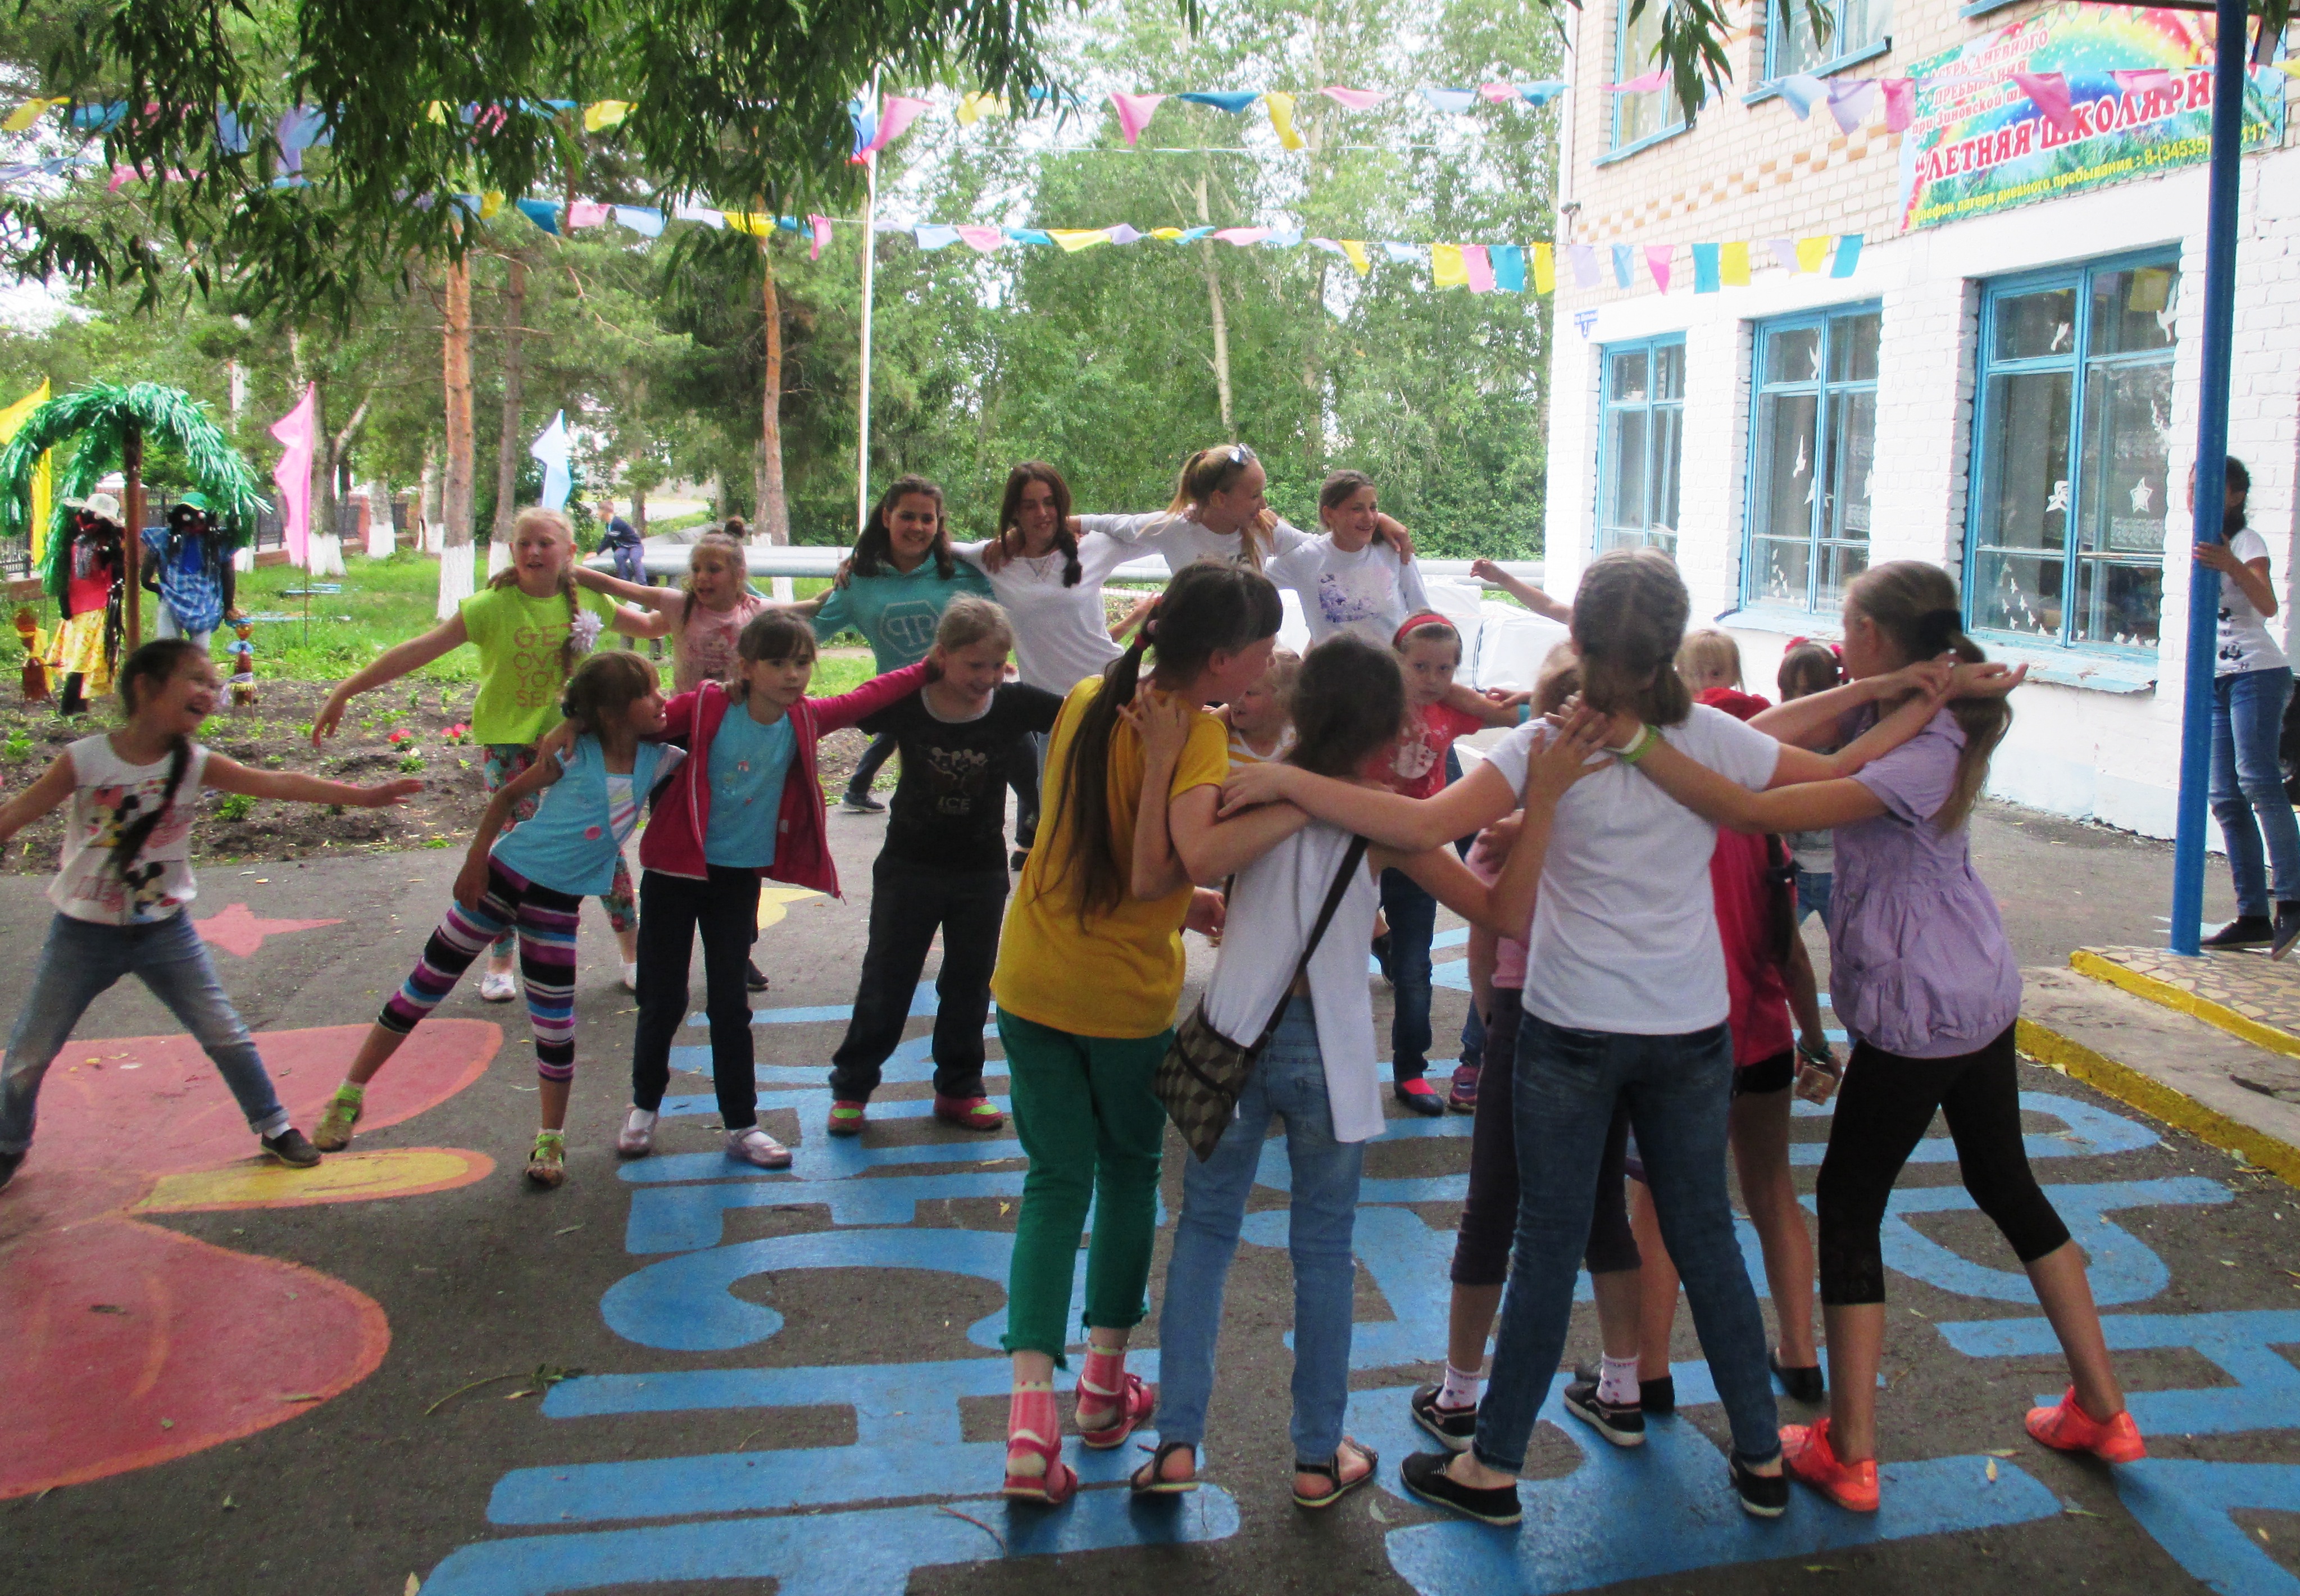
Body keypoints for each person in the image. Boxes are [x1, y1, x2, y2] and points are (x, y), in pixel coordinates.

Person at [1216, 548, 1970, 1525]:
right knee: (1705, 1236)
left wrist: (1292, 786)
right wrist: (1904, 697)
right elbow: (1828, 763)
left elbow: (1423, 823)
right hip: (1687, 1029)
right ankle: (1757, 1457)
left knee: (1545, 1241)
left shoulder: (1546, 744)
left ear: (1576, 637)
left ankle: (1493, 1468)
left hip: (1569, 1027)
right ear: (1669, 643)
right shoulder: (1704, 739)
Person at [1620, 559, 2139, 1512]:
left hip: (1921, 1004)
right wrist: (1902, 684)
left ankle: (1850, 1449)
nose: (1839, 637)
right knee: (2003, 1182)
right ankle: (2101, 1408)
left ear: (1870, 636)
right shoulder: (1896, 712)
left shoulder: (1918, 750)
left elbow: (1756, 802)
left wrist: (1643, 752)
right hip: (1965, 988)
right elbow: (1761, 735)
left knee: (1849, 1202)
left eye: (1849, 625)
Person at [1126, 633, 1602, 1507]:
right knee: (1322, 1251)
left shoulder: (1244, 787)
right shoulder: (1387, 818)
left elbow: (1185, 862)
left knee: (1201, 1238)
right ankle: (1317, 1456)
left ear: (1296, 707)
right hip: (1330, 1050)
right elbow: (1501, 910)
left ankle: (1178, 1444)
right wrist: (1542, 809)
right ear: (1389, 731)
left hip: (1232, 1035)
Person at [993, 561, 1280, 1507]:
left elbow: (1091, 842)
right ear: (1222, 658)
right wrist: (1167, 770)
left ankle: (1029, 1424)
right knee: (1123, 1175)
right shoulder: (1194, 735)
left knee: (1052, 1183)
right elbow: (1154, 868)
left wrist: (1179, 901)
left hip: (1030, 975)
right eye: (1263, 646)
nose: (1269, 662)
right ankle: (1103, 1390)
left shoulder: (1089, 693)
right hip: (1117, 1000)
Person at [0, 639, 420, 1188]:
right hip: (82, 933)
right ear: (145, 687)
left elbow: (276, 783)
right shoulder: (84, 760)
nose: (211, 692)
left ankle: (273, 1125)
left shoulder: (194, 763)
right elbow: (19, 812)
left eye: (214, 684)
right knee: (30, 1051)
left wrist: (364, 796)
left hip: (164, 932)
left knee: (224, 1032)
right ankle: (9, 1142)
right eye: (197, 679)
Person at [316, 651, 678, 1186]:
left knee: (555, 1025)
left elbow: (703, 714)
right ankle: (349, 1094)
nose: (662, 698)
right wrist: (474, 863)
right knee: (424, 986)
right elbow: (508, 795)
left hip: (557, 906)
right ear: (611, 711)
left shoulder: (663, 757)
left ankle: (551, 1139)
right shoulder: (572, 753)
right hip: (502, 879)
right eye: (648, 692)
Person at [1410, 649, 1649, 1453]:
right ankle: (1621, 1385)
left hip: (1526, 1014)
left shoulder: (1506, 835)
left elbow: (1485, 948)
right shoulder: (1636, 826)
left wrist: (1491, 1024)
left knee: (1493, 1203)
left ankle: (1458, 1392)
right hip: (1610, 1016)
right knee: (1601, 1205)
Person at [313, 506, 665, 998]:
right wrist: (346, 689)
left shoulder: (588, 598)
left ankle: (633, 952)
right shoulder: (491, 605)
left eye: (545, 543)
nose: (533, 552)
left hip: (579, 742)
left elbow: (655, 623)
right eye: (524, 543)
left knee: (601, 840)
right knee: (513, 850)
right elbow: (418, 649)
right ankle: (501, 959)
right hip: (508, 744)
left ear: (568, 551)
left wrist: (682, 596)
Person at [618, 612, 929, 1168]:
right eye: (778, 663)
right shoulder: (707, 707)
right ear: (746, 667)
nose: (793, 674)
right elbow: (636, 721)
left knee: (729, 1005)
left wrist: (932, 667)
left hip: (736, 878)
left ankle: (741, 1124)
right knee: (662, 999)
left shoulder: (803, 720)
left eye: (803, 662)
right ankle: (644, 1106)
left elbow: (865, 697)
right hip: (674, 873)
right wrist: (570, 728)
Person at [825, 598, 1058, 1136]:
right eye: (974, 664)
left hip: (979, 872)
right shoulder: (909, 702)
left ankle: (959, 1088)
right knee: (887, 979)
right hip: (909, 867)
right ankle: (853, 1087)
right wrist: (915, 675)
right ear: (941, 656)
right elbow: (847, 709)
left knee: (970, 983)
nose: (986, 677)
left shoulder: (1011, 703)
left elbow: (1087, 711)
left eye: (996, 665)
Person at [1375, 612, 1525, 1116]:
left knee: (1414, 967)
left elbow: (1513, 716)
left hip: (1419, 849)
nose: (1432, 679)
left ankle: (1410, 1071)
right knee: (1322, 958)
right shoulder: (1372, 702)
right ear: (1396, 661)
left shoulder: (1452, 709)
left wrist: (1528, 698)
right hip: (1360, 844)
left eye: (1445, 669)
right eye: (1420, 666)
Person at [953, 463, 1133, 869]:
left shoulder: (1093, 547)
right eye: (1030, 505)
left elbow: (1154, 529)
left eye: (1050, 503)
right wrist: (856, 564)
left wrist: (1084, 522)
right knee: (1055, 817)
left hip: (1111, 694)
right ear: (1014, 511)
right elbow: (930, 547)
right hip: (1052, 712)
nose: (1042, 514)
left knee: (1120, 809)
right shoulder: (994, 558)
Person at [797, 475, 994, 814]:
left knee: (979, 802)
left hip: (967, 708)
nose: (917, 527)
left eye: (927, 518)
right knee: (919, 808)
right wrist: (744, 613)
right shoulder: (858, 581)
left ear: (938, 523)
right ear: (887, 517)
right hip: (904, 713)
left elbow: (1010, 619)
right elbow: (808, 634)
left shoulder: (964, 574)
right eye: (907, 516)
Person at [2192, 457, 2300, 956]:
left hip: (2256, 674)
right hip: (2216, 680)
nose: (2198, 495)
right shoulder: (2199, 542)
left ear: (2235, 496)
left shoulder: (2245, 542)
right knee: (2224, 796)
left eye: (2212, 487)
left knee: (2257, 780)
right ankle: (2252, 914)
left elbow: (2268, 605)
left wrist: (2231, 564)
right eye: (2193, 487)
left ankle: (2292, 899)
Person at [1074, 444, 1412, 574]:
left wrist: (1379, 521)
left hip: (1253, 671)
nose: (1264, 505)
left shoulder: (1265, 529)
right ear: (1219, 499)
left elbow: (1324, 544)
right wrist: (1063, 522)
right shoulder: (1173, 527)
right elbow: (1110, 523)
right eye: (1254, 496)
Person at [1266, 471, 1429, 647]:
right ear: (1329, 515)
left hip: (1391, 663)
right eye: (1357, 509)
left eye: (1373, 508)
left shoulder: (1394, 550)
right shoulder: (1306, 559)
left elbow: (1423, 616)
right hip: (1333, 664)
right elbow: (1252, 577)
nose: (1369, 518)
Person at [1776, 640, 1846, 927]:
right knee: (1777, 946)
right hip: (1793, 869)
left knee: (1850, 949)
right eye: (1791, 693)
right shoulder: (1780, 741)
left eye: (1812, 693)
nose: (1800, 703)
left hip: (1839, 873)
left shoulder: (1848, 739)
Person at [47, 494, 127, 717]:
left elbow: (116, 576)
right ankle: (68, 708)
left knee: (83, 657)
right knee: (79, 658)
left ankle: (77, 707)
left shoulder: (106, 544)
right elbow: (65, 575)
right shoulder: (78, 542)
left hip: (95, 606)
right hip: (83, 608)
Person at [140, 493, 239, 654]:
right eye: (187, 517)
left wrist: (229, 606)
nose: (193, 524)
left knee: (197, 654)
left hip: (204, 606)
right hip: (176, 602)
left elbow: (228, 573)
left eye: (199, 517)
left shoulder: (217, 543)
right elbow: (145, 578)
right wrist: (164, 590)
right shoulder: (164, 539)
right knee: (168, 651)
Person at [1219, 648, 1299, 769]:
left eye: (1250, 693)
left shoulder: (1296, 741)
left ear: (1282, 704)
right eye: (1235, 688)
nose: (1236, 697)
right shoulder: (1223, 740)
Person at [1469, 557, 1573, 623]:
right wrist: (1501, 578)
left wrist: (1502, 578)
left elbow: (1548, 607)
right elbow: (1548, 606)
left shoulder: (1580, 619)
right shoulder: (1579, 617)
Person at [597, 500, 648, 585]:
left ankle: (643, 585)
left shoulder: (617, 523)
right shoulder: (609, 524)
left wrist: (597, 553)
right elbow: (606, 539)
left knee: (634, 559)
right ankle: (625, 583)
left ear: (604, 512)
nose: (597, 513)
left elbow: (609, 541)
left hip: (636, 546)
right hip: (624, 546)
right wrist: (597, 552)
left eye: (599, 511)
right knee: (618, 556)